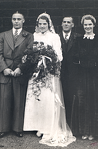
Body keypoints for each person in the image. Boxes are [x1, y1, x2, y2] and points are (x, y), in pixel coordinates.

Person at [23, 13, 76, 147]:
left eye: (44, 24)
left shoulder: (54, 37)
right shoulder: (33, 36)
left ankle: (49, 126)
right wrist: (36, 60)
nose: (42, 26)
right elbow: (29, 52)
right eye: (40, 24)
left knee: (48, 98)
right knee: (36, 97)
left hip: (49, 72)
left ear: (49, 24)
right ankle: (38, 126)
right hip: (36, 71)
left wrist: (47, 60)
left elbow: (59, 55)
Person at [71, 15, 98, 140]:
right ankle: (84, 130)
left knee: (95, 100)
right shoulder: (79, 40)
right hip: (83, 73)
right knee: (83, 101)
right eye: (85, 25)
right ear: (83, 26)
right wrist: (81, 59)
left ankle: (94, 131)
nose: (88, 27)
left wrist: (92, 58)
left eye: (90, 24)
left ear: (93, 25)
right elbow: (74, 55)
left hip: (95, 73)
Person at [0, 12, 34, 138]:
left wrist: (20, 68)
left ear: (23, 21)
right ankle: (3, 128)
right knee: (4, 100)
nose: (16, 21)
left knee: (18, 100)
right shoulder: (3, 35)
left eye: (19, 19)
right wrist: (4, 68)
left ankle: (18, 128)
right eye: (14, 19)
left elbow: (29, 54)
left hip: (19, 71)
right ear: (11, 20)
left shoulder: (28, 36)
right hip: (6, 70)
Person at [59, 16, 81, 130]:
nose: (66, 24)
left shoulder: (78, 37)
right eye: (64, 22)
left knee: (72, 97)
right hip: (60, 72)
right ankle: (60, 124)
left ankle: (72, 124)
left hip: (73, 73)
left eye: (68, 22)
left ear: (72, 25)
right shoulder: (56, 37)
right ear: (61, 24)